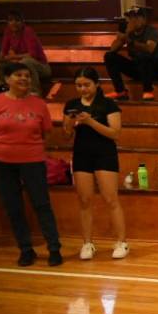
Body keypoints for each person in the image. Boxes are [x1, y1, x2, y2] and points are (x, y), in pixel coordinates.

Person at [0, 62, 62, 266]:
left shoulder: (39, 104)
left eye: (27, 75)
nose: (24, 78)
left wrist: (36, 149)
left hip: (32, 160)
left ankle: (54, 248)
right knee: (13, 207)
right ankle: (26, 249)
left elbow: (47, 133)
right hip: (1, 161)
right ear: (7, 79)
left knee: (42, 205)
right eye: (18, 75)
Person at [61, 67, 128, 260]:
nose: (82, 89)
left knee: (110, 198)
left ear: (96, 84)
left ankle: (122, 242)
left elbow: (115, 133)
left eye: (86, 84)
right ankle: (87, 243)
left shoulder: (108, 104)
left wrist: (90, 122)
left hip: (104, 154)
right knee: (84, 200)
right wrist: (67, 127)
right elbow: (66, 136)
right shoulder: (72, 104)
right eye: (78, 85)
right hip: (82, 154)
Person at [104, 6, 158, 101]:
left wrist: (130, 41)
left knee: (144, 57)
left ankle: (148, 91)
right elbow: (113, 50)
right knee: (109, 56)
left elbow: (149, 49)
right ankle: (120, 91)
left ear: (144, 19)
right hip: (138, 67)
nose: (133, 20)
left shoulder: (152, 31)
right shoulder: (128, 32)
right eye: (131, 17)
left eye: (136, 17)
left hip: (155, 68)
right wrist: (125, 35)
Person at [0, 11, 52, 96]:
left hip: (41, 66)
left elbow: (32, 55)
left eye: (17, 20)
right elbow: (3, 52)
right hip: (19, 63)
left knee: (26, 62)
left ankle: (34, 92)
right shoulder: (8, 31)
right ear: (7, 22)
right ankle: (4, 87)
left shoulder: (28, 31)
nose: (14, 23)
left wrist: (12, 57)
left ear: (22, 22)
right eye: (11, 20)